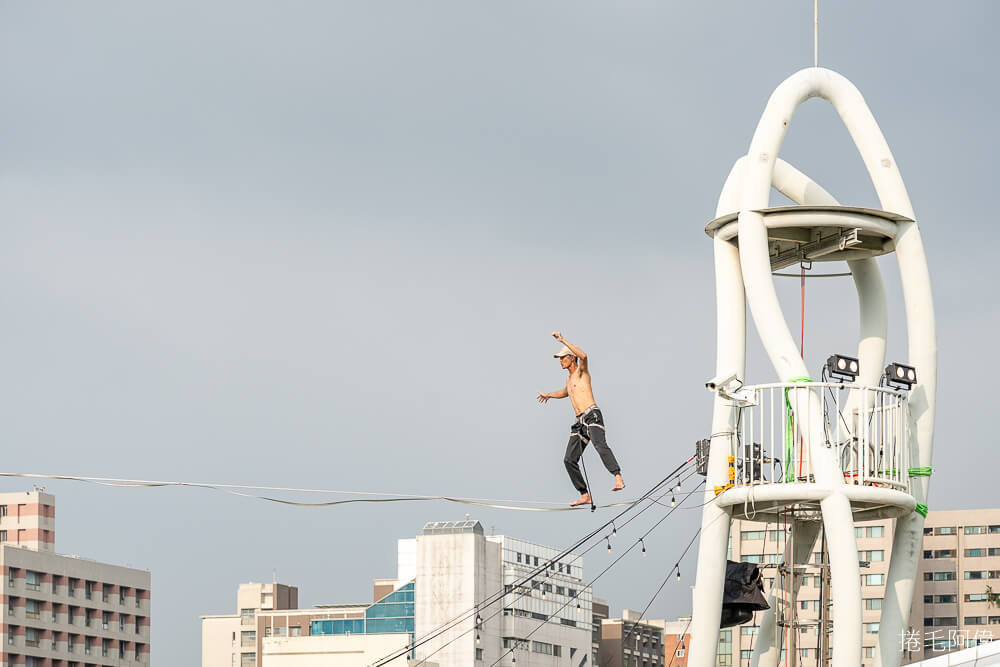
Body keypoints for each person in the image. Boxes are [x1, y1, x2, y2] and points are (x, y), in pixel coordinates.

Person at [537, 331, 625, 507]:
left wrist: (563, 340)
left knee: (599, 445)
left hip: (592, 415)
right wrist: (549, 395)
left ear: (571, 358)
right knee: (569, 459)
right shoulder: (569, 379)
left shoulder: (582, 372)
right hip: (580, 422)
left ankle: (618, 478)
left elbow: (584, 355)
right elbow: (564, 392)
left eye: (563, 358)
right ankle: (585, 495)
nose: (560, 361)